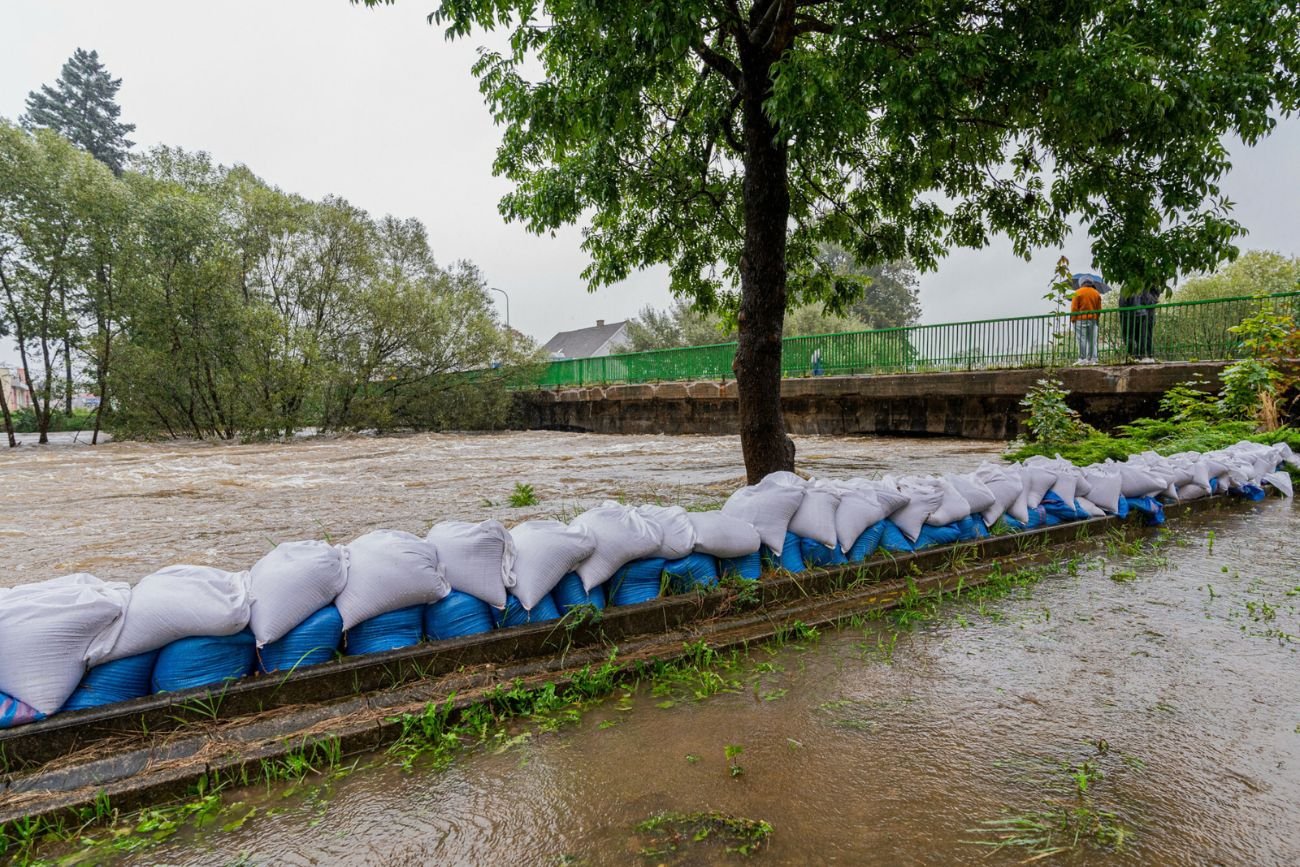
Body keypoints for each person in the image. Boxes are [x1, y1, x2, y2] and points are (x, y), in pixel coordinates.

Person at [1070, 279, 1102, 364]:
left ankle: (1082, 359)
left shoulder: (1077, 292)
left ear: (1082, 284)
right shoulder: (1096, 293)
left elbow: (1074, 308)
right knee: (1092, 340)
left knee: (1081, 339)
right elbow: (1099, 309)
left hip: (1080, 319)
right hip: (1093, 319)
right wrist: (1096, 318)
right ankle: (1093, 359)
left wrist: (1073, 319)